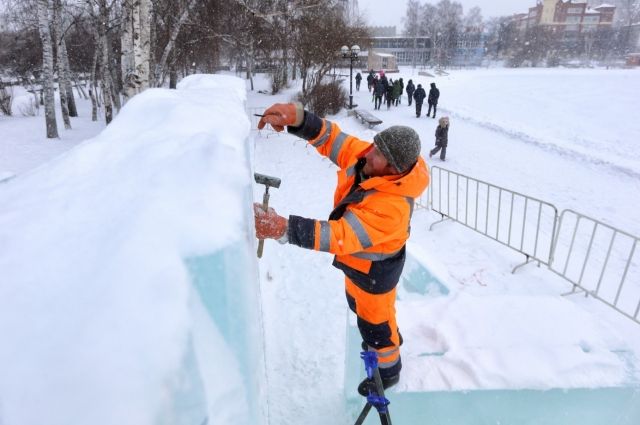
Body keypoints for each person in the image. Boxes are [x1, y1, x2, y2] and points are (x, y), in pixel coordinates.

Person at [255, 103, 430, 396]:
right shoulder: (372, 159)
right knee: (357, 306)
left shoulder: (393, 208)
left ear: (392, 169)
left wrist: (283, 228)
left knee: (375, 325)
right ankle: (387, 338)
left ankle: (388, 372)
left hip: (375, 276)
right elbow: (336, 140)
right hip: (357, 266)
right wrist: (298, 118)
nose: (368, 152)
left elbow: (339, 236)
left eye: (378, 153)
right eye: (375, 145)